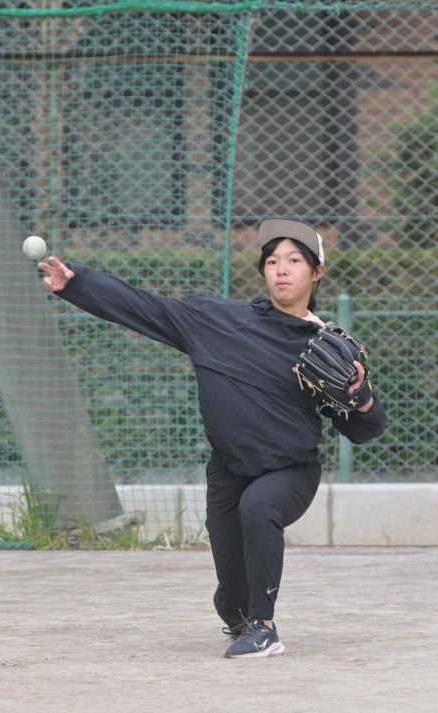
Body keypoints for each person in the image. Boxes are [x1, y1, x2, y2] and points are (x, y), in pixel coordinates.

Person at [38, 219, 385, 658]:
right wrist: (77, 284)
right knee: (231, 601)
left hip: (289, 471)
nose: (281, 269)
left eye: (295, 260)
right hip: (228, 472)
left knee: (259, 508)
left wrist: (362, 397)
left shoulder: (326, 346)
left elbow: (362, 430)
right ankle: (242, 614)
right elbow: (147, 309)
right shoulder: (219, 322)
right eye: (273, 260)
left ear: (316, 273)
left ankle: (264, 628)